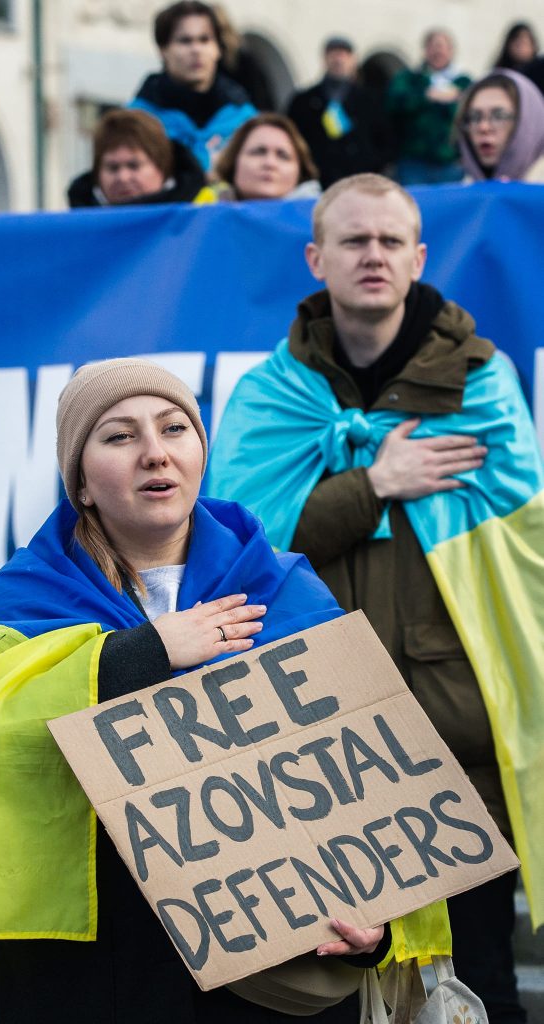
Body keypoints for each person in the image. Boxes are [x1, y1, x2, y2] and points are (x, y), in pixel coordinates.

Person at [0, 358, 398, 1023]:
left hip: (264, 984)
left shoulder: (286, 591)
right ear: (81, 484)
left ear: (201, 453)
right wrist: (143, 654)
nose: (155, 453)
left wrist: (368, 931)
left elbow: (370, 787)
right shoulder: (15, 606)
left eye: (174, 428)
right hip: (89, 977)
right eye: (119, 436)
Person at [209, 173, 544, 1024]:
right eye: (353, 241)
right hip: (319, 746)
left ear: (418, 257)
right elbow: (240, 551)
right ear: (316, 257)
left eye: (391, 241)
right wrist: (374, 484)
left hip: (454, 733)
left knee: (477, 981)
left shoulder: (481, 383)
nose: (373, 256)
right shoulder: (268, 396)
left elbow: (519, 548)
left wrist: (352, 493)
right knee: (328, 988)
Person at [129, 0, 256, 172]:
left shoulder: (245, 120)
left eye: (204, 40)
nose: (196, 50)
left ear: (218, 48)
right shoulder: (135, 122)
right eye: (185, 41)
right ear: (163, 50)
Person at [286, 37, 393, 189]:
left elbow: (385, 138)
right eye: (333, 54)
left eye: (344, 54)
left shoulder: (370, 99)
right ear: (324, 59)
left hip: (360, 178)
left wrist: (373, 164)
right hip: (319, 179)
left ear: (353, 60)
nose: (338, 60)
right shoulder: (304, 100)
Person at [67, 108, 212, 207]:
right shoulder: (78, 231)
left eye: (134, 166)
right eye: (112, 168)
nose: (123, 177)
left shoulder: (199, 220)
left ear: (162, 166)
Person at [386, 29, 471, 185]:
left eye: (442, 46)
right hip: (413, 162)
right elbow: (393, 104)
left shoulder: (463, 82)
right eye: (433, 46)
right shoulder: (409, 78)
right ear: (425, 50)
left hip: (450, 163)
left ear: (451, 51)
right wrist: (426, 96)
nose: (438, 51)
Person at [456, 69, 544, 182]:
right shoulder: (461, 190)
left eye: (499, 116)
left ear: (529, 123)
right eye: (474, 117)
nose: (483, 127)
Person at [213, 112, 320, 200]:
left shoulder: (324, 224)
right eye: (258, 152)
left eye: (283, 156)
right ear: (233, 162)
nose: (270, 163)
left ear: (301, 171)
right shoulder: (203, 221)